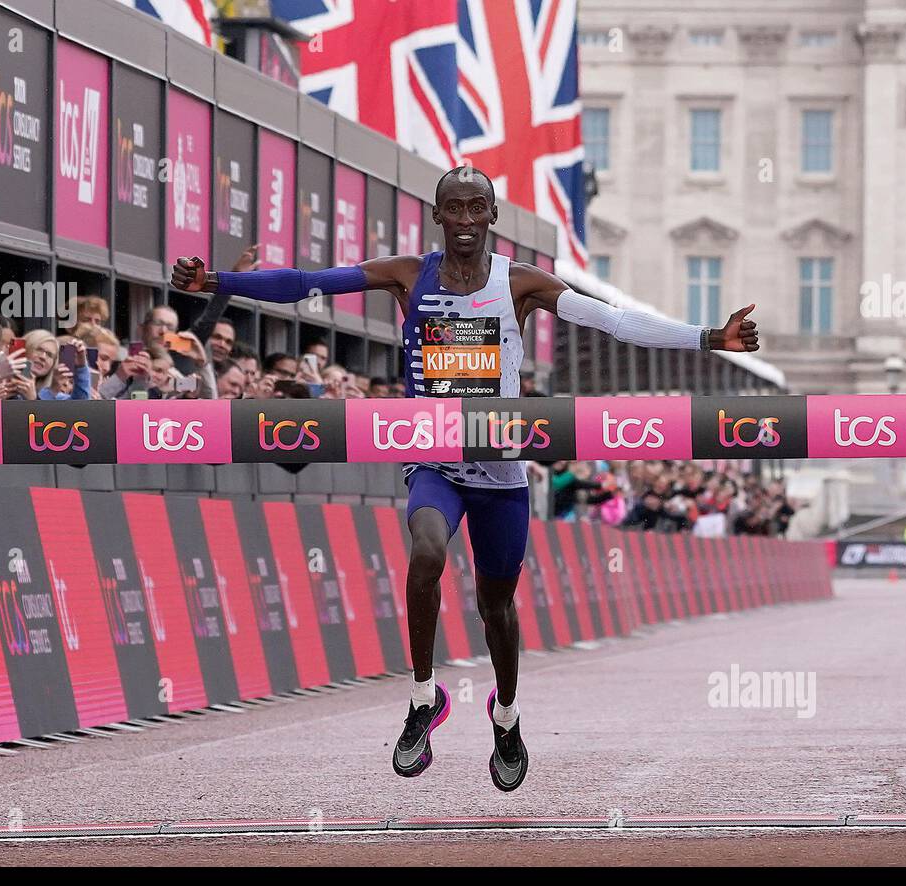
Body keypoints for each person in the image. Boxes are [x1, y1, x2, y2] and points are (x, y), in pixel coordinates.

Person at [171, 165, 759, 792]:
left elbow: (610, 320)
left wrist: (709, 338)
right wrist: (219, 282)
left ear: (492, 216)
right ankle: (423, 698)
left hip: (501, 471)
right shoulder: (408, 275)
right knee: (425, 554)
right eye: (453, 210)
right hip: (434, 461)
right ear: (437, 216)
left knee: (495, 605)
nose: (465, 222)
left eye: (477, 209)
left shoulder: (521, 283)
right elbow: (311, 281)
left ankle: (505, 716)